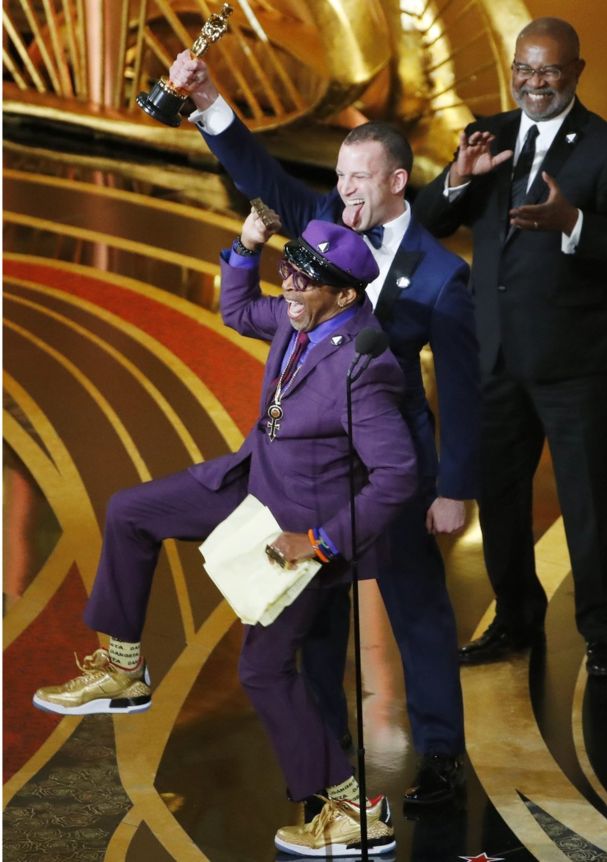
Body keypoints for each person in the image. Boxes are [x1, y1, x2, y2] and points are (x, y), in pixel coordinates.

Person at [33, 214, 418, 857]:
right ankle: (124, 670)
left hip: (299, 528)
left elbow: (397, 474)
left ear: (346, 295)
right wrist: (245, 246)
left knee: (263, 671)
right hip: (252, 484)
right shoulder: (299, 315)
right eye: (288, 269)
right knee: (131, 512)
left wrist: (320, 541)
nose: (288, 285)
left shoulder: (363, 365)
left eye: (304, 279)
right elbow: (238, 311)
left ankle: (354, 811)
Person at [167, 51, 481, 806]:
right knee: (311, 622)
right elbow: (261, 177)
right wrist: (209, 100)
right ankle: (328, 765)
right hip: (312, 474)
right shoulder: (322, 226)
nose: (344, 191)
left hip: (393, 473)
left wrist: (454, 488)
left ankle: (441, 756)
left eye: (358, 178)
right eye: (339, 177)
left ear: (397, 182)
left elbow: (464, 389)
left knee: (418, 611)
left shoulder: (442, 275)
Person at [413, 17, 607, 675]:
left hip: (577, 366)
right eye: (524, 69)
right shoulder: (488, 134)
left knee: (591, 509)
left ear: (576, 72)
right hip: (495, 357)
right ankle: (516, 620)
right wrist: (457, 177)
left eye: (549, 70)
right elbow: (429, 220)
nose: (535, 83)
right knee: (500, 500)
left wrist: (573, 222)